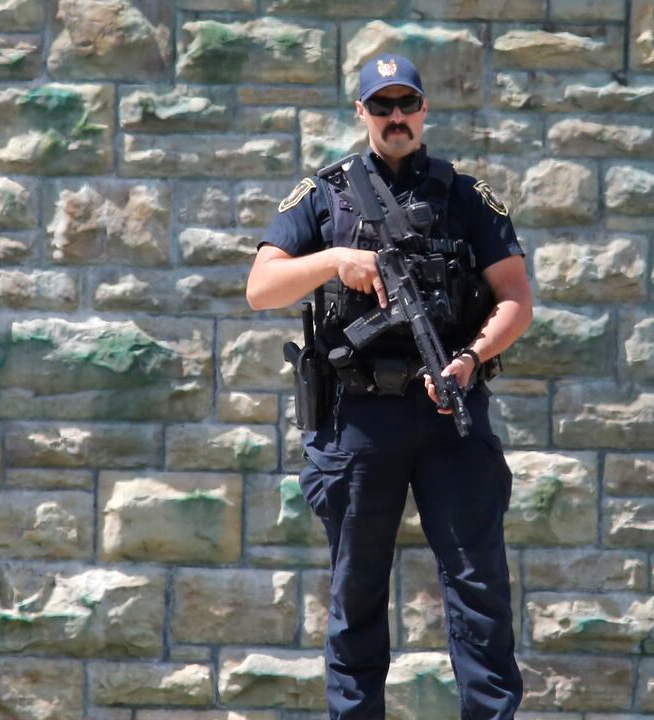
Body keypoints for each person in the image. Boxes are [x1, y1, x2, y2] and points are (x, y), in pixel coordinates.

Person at [245, 53, 532, 720]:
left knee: (478, 591)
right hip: (359, 420)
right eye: (382, 106)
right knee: (357, 597)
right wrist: (334, 261)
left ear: (424, 109)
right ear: (362, 113)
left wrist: (470, 357)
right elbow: (261, 289)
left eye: (406, 104)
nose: (395, 117)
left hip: (448, 415)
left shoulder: (465, 196)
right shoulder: (323, 195)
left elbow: (515, 297)